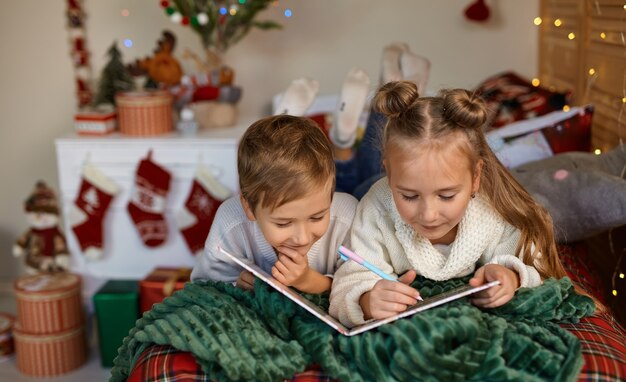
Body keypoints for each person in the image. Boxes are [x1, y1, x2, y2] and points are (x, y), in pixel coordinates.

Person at [329, 81, 567, 327]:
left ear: (476, 178)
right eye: (410, 196)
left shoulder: (490, 210)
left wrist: (511, 276)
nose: (429, 215)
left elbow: (532, 262)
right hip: (370, 186)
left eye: (446, 196)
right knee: (351, 183)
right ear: (390, 177)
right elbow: (349, 279)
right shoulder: (377, 205)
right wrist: (367, 300)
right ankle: (345, 143)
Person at [191, 115, 358, 294]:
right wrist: (235, 287)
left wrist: (308, 281)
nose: (302, 238)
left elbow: (361, 288)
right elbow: (203, 288)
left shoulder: (348, 217)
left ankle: (344, 140)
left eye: (317, 217)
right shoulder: (231, 223)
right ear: (249, 208)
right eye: (283, 223)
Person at [273, 43, 431, 199]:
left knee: (358, 183)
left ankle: (283, 134)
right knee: (374, 179)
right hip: (361, 189)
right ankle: (394, 91)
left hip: (323, 189)